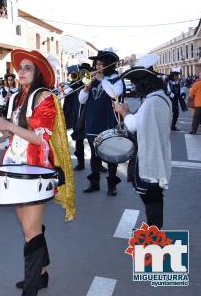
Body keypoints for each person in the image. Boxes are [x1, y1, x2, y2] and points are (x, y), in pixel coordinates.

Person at [0, 49, 74, 296]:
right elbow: (17, 133)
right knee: (29, 226)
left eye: (28, 68)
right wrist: (6, 129)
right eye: (20, 68)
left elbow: (39, 140)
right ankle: (41, 273)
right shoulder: (18, 97)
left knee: (30, 229)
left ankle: (32, 287)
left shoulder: (44, 98)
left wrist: (9, 126)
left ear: (38, 73)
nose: (22, 72)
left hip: (36, 169)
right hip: (15, 165)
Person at [113, 55, 171, 228]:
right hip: (158, 152)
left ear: (145, 84)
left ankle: (154, 233)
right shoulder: (161, 98)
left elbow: (133, 125)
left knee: (151, 197)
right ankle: (154, 229)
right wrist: (129, 112)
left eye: (138, 84)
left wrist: (123, 112)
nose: (137, 88)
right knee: (154, 197)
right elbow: (141, 121)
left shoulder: (152, 102)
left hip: (150, 156)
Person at [79, 51, 124, 196]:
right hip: (92, 122)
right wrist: (86, 88)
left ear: (108, 65)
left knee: (111, 156)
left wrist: (102, 79)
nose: (97, 66)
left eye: (101, 64)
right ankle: (94, 183)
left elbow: (114, 94)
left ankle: (112, 185)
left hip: (109, 122)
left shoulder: (116, 79)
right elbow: (81, 100)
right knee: (94, 155)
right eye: (96, 64)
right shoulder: (91, 79)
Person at [62, 63, 92, 171]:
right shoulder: (73, 85)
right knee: (79, 139)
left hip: (89, 113)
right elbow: (66, 92)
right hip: (77, 114)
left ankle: (99, 164)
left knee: (93, 139)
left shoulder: (89, 82)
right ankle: (80, 162)